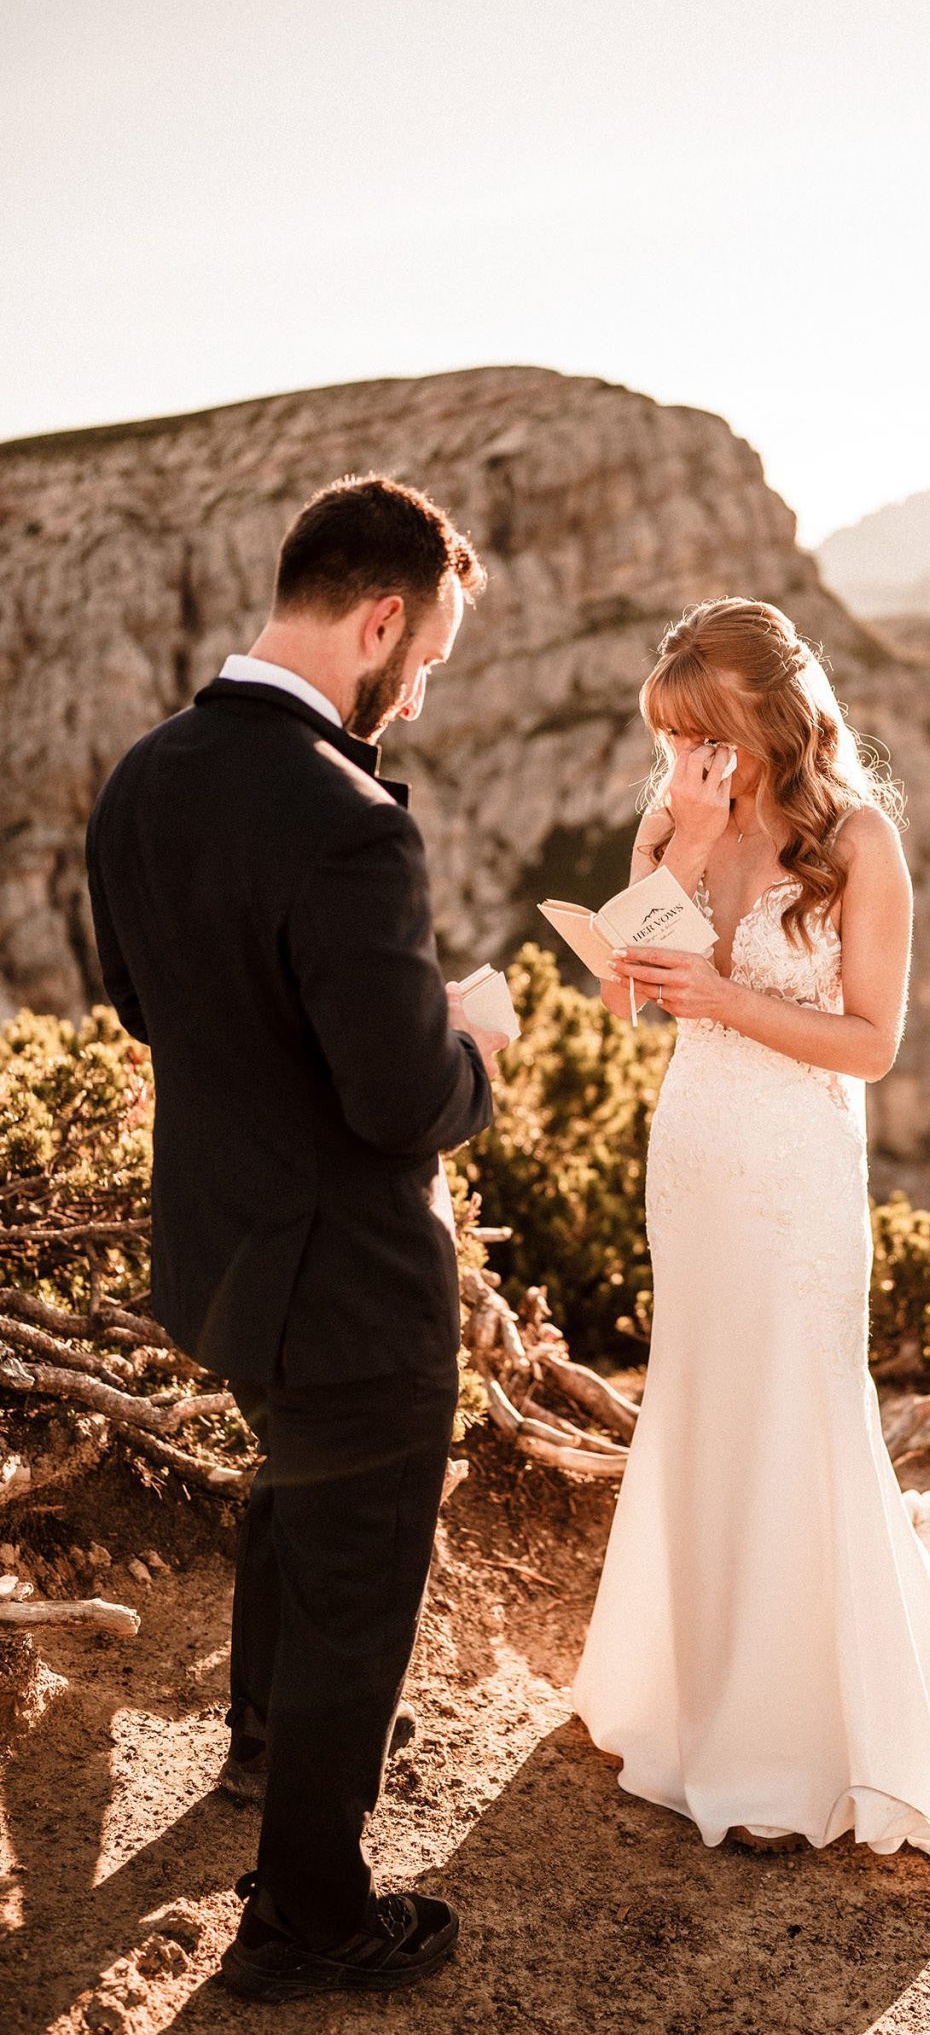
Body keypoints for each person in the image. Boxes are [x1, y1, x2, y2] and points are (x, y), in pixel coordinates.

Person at [84, 475, 507, 2000]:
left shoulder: (143, 775)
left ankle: (266, 1741)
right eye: (432, 656)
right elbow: (402, 1103)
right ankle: (311, 1914)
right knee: (360, 1572)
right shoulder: (348, 825)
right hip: (352, 1279)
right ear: (379, 619)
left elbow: (144, 1006)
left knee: (293, 1491)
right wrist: (476, 1041)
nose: (421, 689)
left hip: (225, 1247)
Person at [572, 597, 930, 1867]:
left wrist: (733, 998)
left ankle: (790, 1734)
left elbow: (873, 1043)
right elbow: (618, 998)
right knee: (701, 1401)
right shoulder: (673, 820)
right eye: (676, 736)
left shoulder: (861, 843)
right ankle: (686, 1692)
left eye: (708, 732)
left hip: (799, 1171)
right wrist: (680, 845)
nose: (693, 755)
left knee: (795, 1405)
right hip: (692, 1155)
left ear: (770, 720)